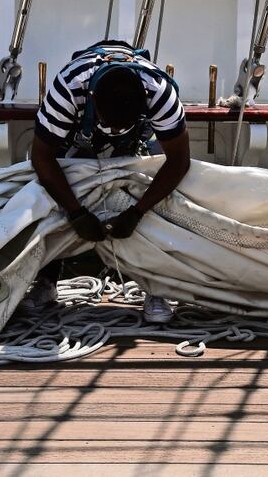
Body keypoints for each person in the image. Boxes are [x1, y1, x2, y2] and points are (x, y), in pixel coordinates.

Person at [27, 39, 191, 323]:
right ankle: (46, 281)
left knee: (152, 187)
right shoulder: (69, 88)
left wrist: (138, 212)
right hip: (76, 137)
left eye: (122, 125)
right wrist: (76, 213)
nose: (114, 130)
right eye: (111, 123)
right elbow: (42, 158)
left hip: (138, 141)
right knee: (50, 190)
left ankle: (156, 287)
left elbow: (179, 161)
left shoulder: (160, 95)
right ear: (91, 100)